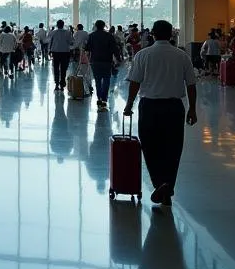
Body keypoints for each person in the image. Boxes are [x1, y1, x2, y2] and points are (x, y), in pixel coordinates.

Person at [122, 19, 198, 207]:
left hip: (149, 107)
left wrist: (129, 104)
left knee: (149, 146)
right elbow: (191, 84)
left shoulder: (143, 55)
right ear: (171, 34)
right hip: (174, 108)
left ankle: (159, 183)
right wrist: (192, 109)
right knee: (173, 148)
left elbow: (135, 82)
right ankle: (167, 185)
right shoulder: (181, 56)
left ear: (152, 34)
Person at [85, 20, 121, 110]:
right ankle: (104, 99)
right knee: (106, 80)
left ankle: (99, 98)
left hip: (95, 61)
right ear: (104, 26)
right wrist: (118, 59)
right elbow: (114, 49)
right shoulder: (109, 36)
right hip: (107, 61)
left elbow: (87, 48)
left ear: (96, 26)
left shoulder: (92, 36)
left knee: (97, 81)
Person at [48, 20, 74, 91]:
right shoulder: (68, 32)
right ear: (63, 25)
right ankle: (62, 84)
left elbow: (50, 42)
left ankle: (56, 84)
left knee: (56, 68)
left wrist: (49, 51)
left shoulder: (53, 32)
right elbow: (71, 42)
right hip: (65, 53)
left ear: (57, 25)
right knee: (63, 69)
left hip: (55, 53)